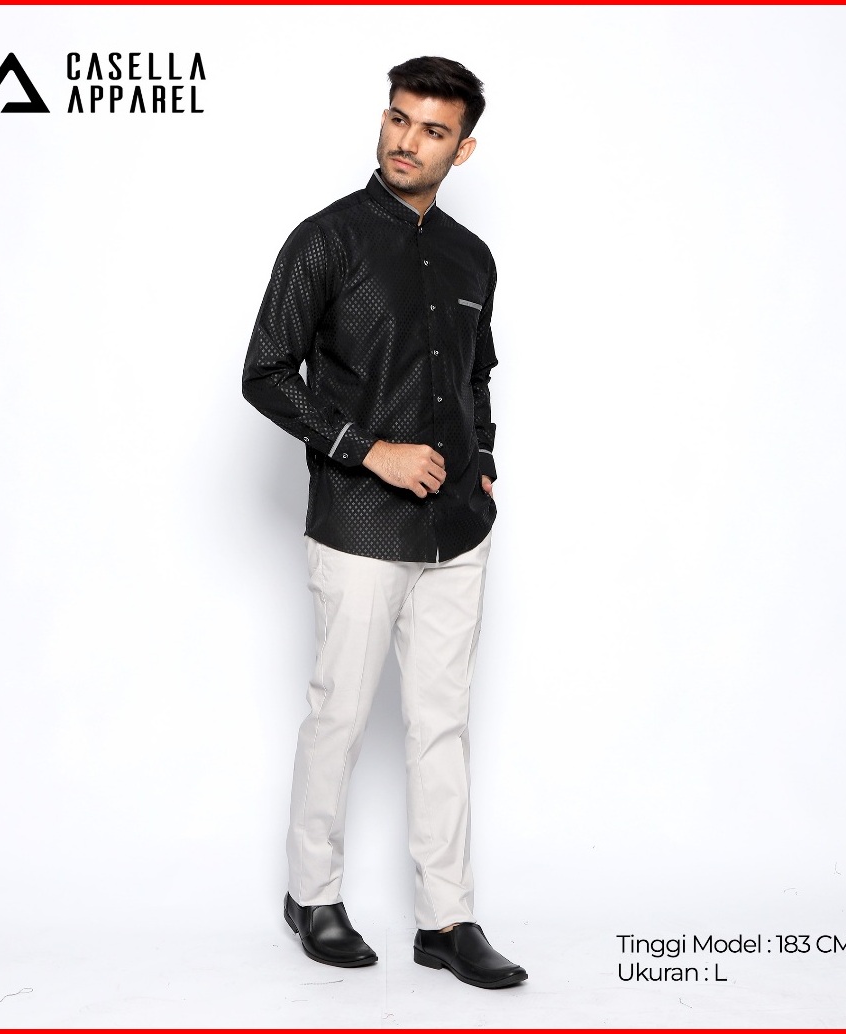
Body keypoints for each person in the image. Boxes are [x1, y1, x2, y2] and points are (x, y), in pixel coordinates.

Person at [242, 55, 526, 991]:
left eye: (432, 129)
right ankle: (312, 895)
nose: (407, 141)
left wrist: (483, 464)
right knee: (341, 714)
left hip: (459, 530)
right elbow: (265, 373)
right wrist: (370, 450)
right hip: (360, 523)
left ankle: (447, 919)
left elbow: (476, 376)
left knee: (442, 725)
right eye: (399, 119)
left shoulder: (474, 258)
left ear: (462, 148)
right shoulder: (324, 241)